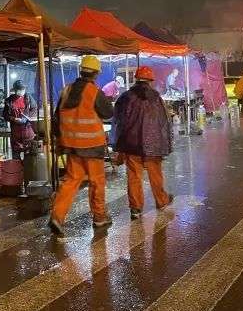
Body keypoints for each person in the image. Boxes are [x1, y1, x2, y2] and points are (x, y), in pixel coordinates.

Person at [49, 55, 114, 234]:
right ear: (96, 73)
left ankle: (57, 216)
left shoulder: (67, 90)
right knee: (96, 182)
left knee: (71, 180)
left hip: (72, 146)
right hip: (92, 146)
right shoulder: (94, 92)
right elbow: (108, 113)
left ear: (81, 71)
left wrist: (59, 141)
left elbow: (56, 118)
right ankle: (99, 217)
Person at [112, 66, 174, 220]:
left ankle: (136, 209)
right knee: (156, 174)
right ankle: (161, 201)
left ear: (136, 79)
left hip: (131, 145)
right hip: (153, 145)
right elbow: (164, 121)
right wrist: (163, 143)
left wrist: (119, 146)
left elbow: (118, 121)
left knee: (134, 176)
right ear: (150, 80)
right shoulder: (156, 98)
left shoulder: (125, 97)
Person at [3, 80, 37, 160]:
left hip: (28, 132)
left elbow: (34, 109)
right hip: (16, 134)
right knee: (16, 158)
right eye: (19, 89)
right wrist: (13, 118)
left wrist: (26, 118)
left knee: (29, 158)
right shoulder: (9, 101)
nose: (21, 91)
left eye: (23, 89)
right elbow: (5, 115)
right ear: (15, 90)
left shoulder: (28, 98)